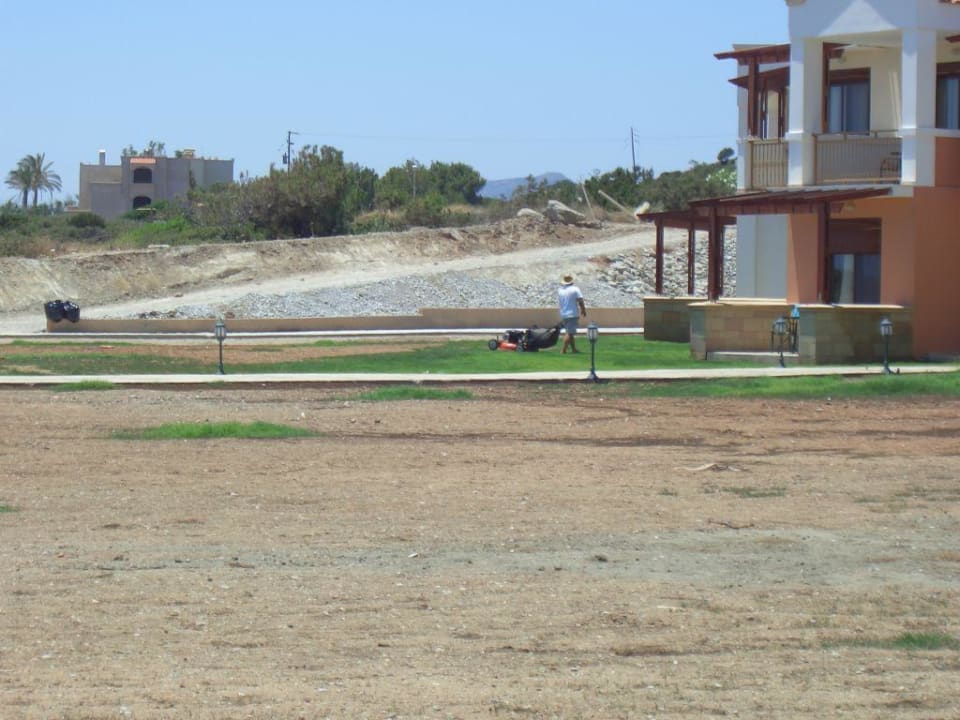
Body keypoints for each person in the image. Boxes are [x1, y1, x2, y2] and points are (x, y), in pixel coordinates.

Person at [557, 273, 587, 354]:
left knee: (569, 331)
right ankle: (563, 350)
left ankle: (574, 349)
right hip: (572, 313)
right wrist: (583, 310)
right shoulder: (575, 289)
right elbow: (580, 300)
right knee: (570, 333)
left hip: (564, 313)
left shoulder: (560, 290)